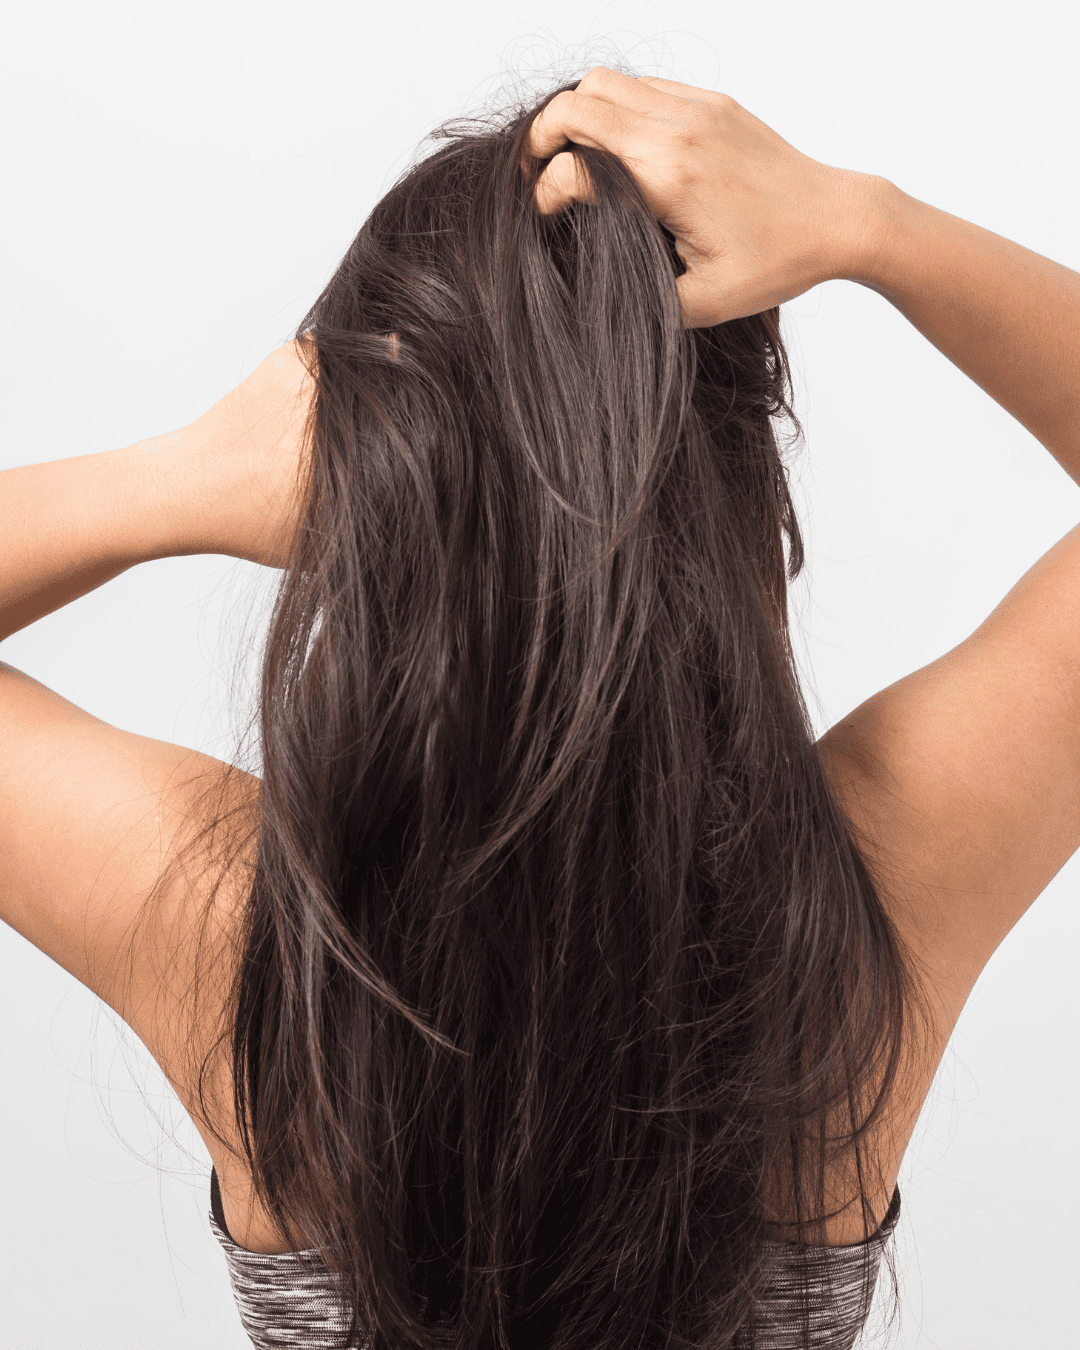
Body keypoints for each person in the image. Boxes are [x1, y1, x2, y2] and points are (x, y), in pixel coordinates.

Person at [2, 63, 1078, 1350]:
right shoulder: (862, 920)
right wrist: (870, 227)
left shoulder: (254, 948)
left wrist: (182, 476)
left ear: (364, 507)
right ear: (741, 495)